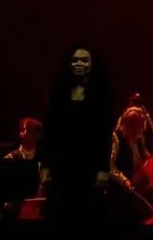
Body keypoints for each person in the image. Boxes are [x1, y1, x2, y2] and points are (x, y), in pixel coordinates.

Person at [41, 46, 114, 227]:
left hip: (88, 168)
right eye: (75, 60)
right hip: (61, 167)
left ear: (92, 64)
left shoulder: (101, 95)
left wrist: (103, 169)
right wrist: (45, 166)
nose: (79, 64)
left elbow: (104, 135)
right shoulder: (58, 92)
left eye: (84, 60)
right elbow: (49, 131)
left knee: (86, 218)